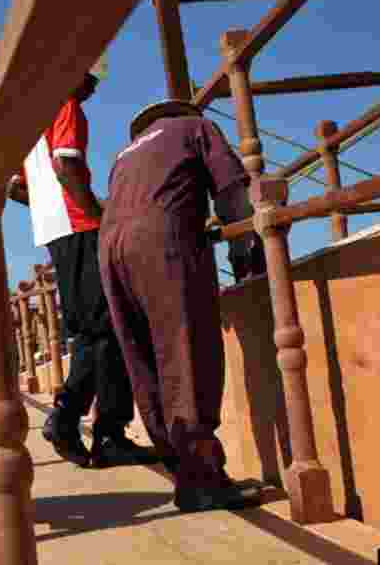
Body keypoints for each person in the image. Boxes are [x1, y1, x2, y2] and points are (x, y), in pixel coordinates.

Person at [98, 100, 267, 512]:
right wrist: (242, 250)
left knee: (144, 360)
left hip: (111, 248)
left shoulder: (123, 155)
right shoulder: (196, 126)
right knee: (187, 352)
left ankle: (184, 473)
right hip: (161, 238)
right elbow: (231, 192)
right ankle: (204, 479)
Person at [7, 72, 156, 469]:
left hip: (57, 232)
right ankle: (84, 424)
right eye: (91, 76)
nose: (95, 86)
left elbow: (15, 187)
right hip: (79, 227)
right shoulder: (64, 103)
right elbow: (65, 164)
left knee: (92, 331)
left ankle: (87, 426)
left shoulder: (29, 122)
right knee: (109, 326)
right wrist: (97, 214)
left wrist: (54, 208)